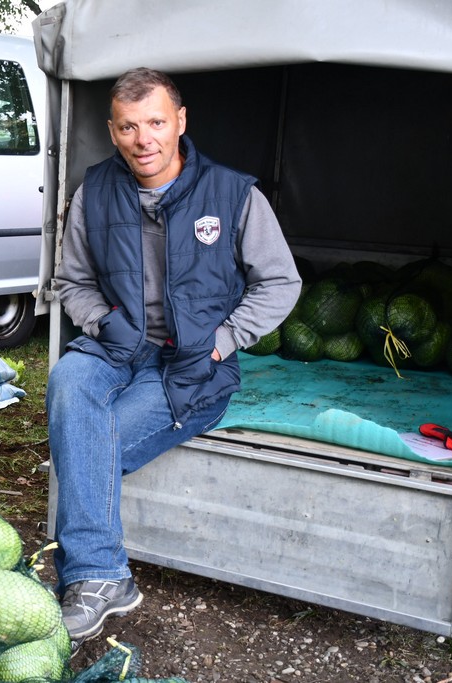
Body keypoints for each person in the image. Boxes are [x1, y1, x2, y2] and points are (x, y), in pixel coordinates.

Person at [46, 67, 302, 647]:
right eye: (130, 127)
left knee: (88, 438)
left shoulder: (234, 194)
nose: (145, 139)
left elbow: (281, 282)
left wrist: (224, 339)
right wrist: (104, 322)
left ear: (180, 122)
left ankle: (92, 576)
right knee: (67, 381)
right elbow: (72, 281)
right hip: (116, 345)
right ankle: (103, 575)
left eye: (157, 122)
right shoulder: (96, 191)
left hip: (192, 367)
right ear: (113, 132)